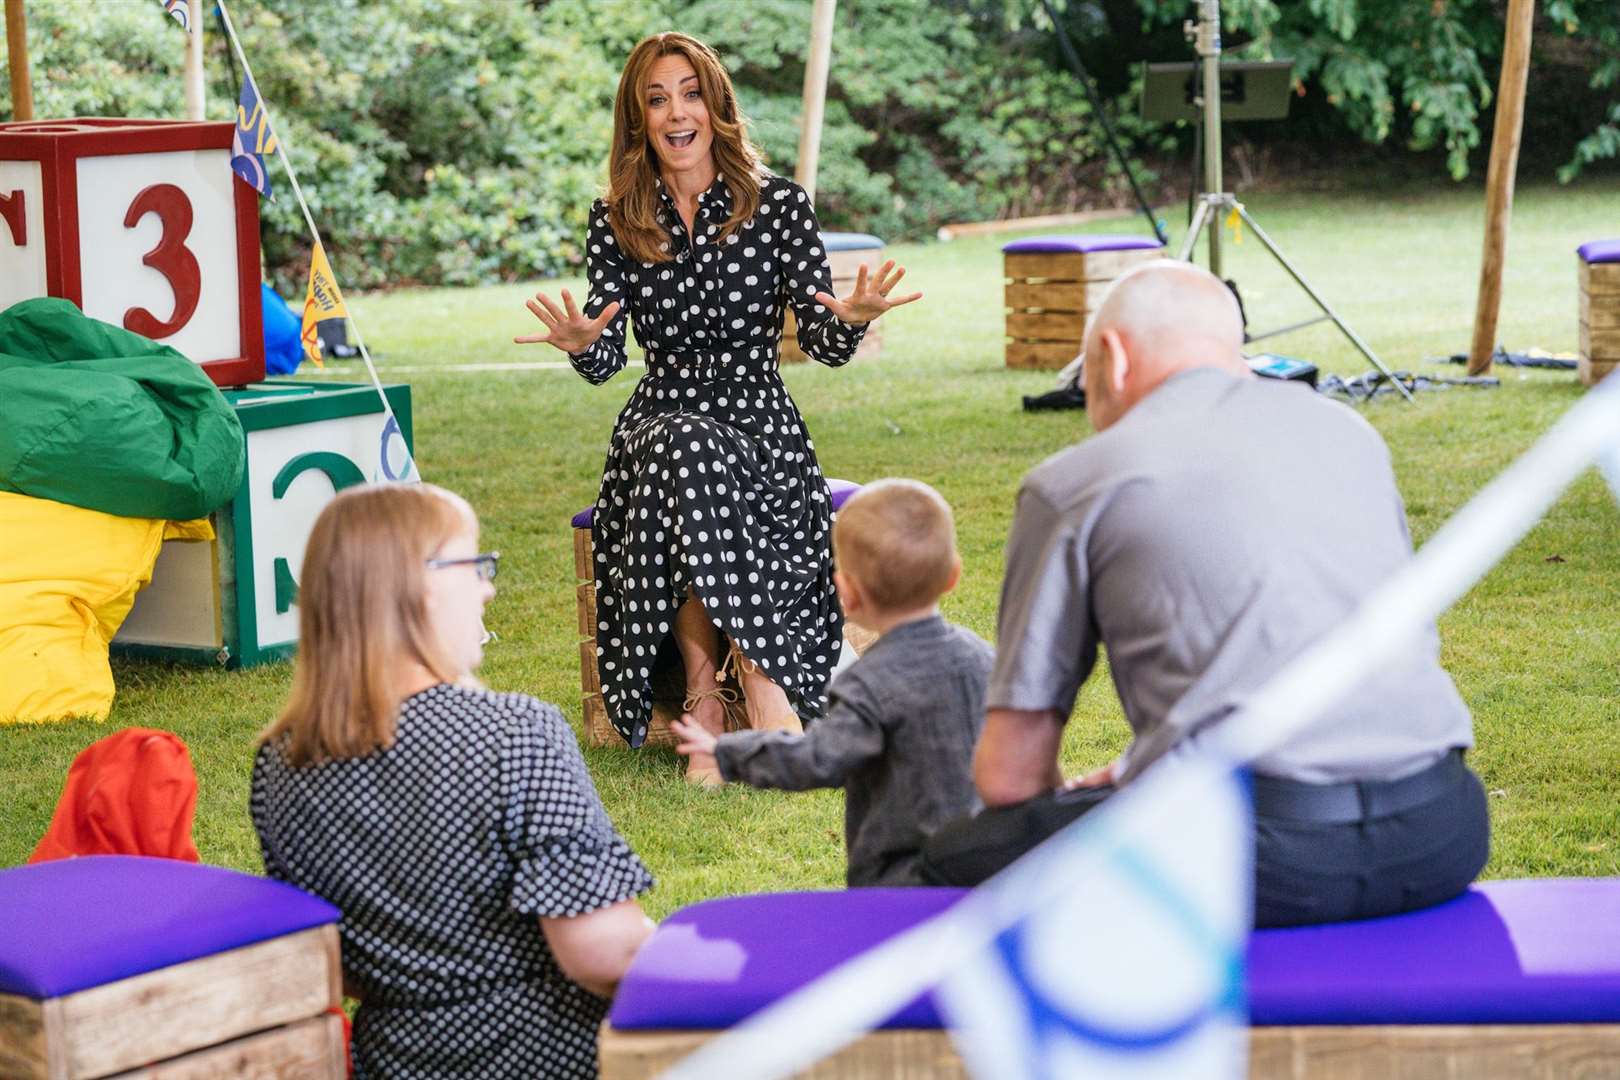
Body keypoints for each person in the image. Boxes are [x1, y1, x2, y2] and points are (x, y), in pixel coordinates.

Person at [921, 260, 1490, 928]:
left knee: (949, 858)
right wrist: (1149, 763)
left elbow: (1011, 778)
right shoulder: (1351, 435)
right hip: (1442, 829)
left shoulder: (1076, 481)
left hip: (1257, 858)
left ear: (1111, 357)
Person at [515, 31, 920, 784]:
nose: (677, 113)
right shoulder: (617, 218)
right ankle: (718, 695)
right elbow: (606, 362)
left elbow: (825, 343)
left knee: (691, 451)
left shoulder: (779, 206)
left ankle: (744, 688)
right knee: (680, 445)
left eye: (690, 94)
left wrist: (855, 318)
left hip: (759, 417)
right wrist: (578, 341)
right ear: (638, 120)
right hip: (659, 414)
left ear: (717, 106)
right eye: (657, 99)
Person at [250, 484, 655, 1079]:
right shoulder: (514, 732)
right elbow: (604, 951)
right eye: (475, 564)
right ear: (422, 585)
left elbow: (337, 960)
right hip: (549, 1058)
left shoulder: (282, 761)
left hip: (393, 1062)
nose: (488, 586)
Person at [670, 479, 993, 886]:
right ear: (953, 575)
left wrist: (728, 751)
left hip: (899, 878)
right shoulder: (984, 658)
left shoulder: (866, 683)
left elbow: (816, 757)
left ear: (846, 593)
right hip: (984, 865)